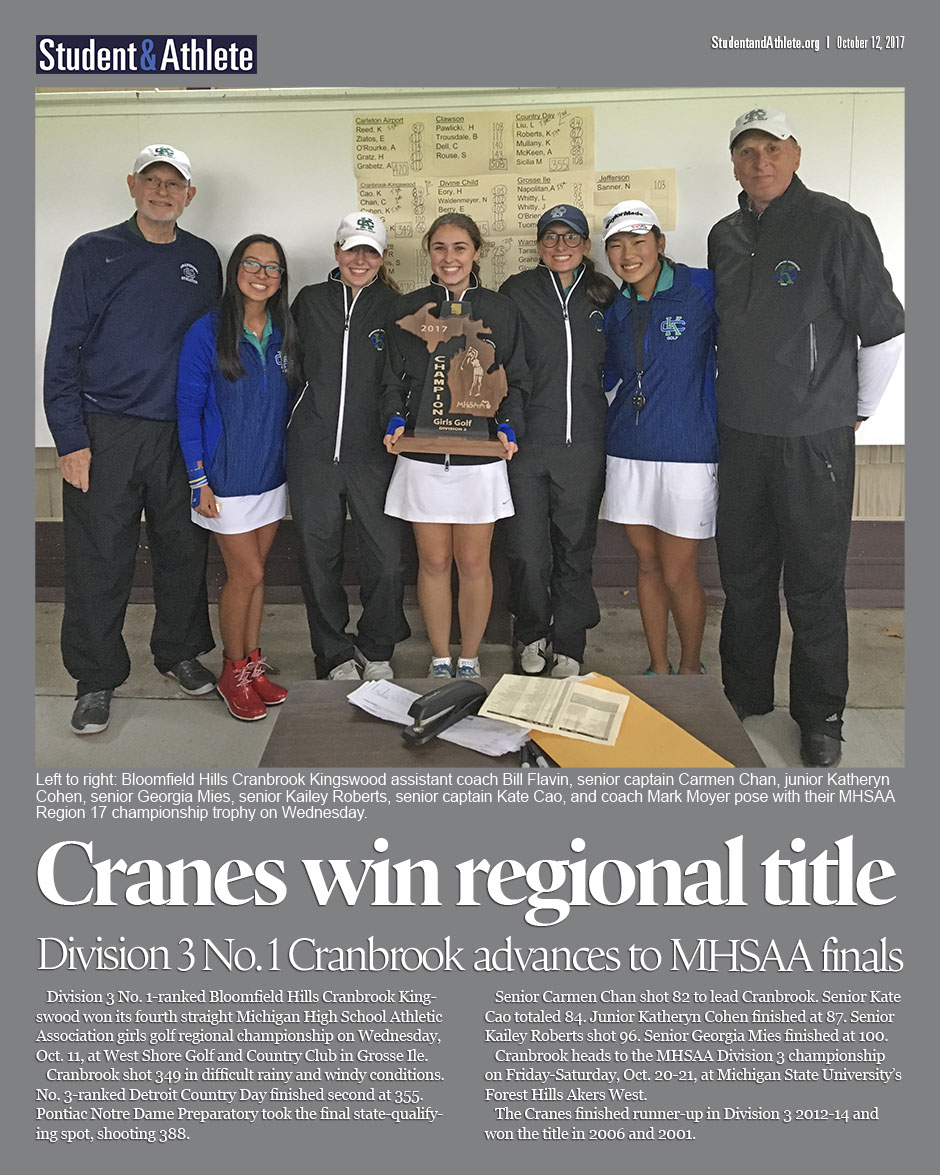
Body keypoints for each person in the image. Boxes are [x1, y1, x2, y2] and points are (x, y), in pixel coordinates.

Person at [708, 107, 905, 767]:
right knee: (746, 573)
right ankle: (744, 693)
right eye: (746, 151)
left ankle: (820, 715)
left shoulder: (837, 224)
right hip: (740, 435)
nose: (759, 161)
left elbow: (882, 329)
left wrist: (856, 412)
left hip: (814, 439)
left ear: (795, 153)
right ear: (733, 163)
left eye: (772, 147)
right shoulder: (724, 234)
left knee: (815, 582)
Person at [43, 144, 222, 735]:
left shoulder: (205, 259)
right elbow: (62, 348)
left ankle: (179, 653)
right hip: (105, 432)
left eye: (174, 183)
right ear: (132, 185)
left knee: (183, 551)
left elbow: (210, 356)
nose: (163, 191)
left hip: (179, 434)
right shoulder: (93, 252)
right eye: (153, 180)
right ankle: (95, 678)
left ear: (189, 195)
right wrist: (69, 437)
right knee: (99, 559)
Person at [382, 213, 528, 679]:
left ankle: (470, 658)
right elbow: (393, 378)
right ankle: (440, 658)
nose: (450, 258)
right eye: (440, 248)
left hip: (478, 454)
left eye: (459, 247)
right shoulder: (409, 308)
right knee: (434, 560)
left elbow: (515, 378)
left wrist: (508, 426)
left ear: (477, 252)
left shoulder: (501, 310)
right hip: (423, 454)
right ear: (429, 252)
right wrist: (396, 418)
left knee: (472, 561)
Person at [176, 236, 299, 720]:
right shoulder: (207, 330)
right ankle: (231, 670)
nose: (261, 274)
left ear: (282, 278)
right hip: (223, 477)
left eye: (272, 267)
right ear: (235, 270)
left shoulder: (285, 328)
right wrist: (196, 479)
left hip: (271, 474)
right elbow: (187, 409)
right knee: (244, 574)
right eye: (252, 263)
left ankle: (252, 664)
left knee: (257, 576)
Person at [288, 213, 411, 681]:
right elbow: (290, 368)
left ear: (382, 258)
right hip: (312, 451)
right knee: (318, 558)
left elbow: (401, 379)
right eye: (351, 249)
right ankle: (335, 653)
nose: (360, 259)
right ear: (336, 252)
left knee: (386, 558)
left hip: (372, 453)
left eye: (370, 251)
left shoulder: (397, 308)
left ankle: (377, 647)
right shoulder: (310, 301)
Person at [498, 205, 617, 677]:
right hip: (527, 444)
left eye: (571, 238)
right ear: (539, 245)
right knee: (527, 550)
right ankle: (530, 635)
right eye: (551, 237)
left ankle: (569, 644)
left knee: (575, 548)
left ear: (587, 247)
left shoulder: (605, 295)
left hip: (585, 443)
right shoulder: (517, 293)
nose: (561, 246)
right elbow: (499, 361)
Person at [601, 201, 719, 677]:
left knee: (677, 571)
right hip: (628, 450)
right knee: (647, 567)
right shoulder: (613, 308)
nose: (628, 255)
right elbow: (607, 373)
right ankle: (658, 667)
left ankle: (690, 669)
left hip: (688, 451)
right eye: (616, 245)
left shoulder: (702, 288)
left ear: (660, 244)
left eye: (638, 242)